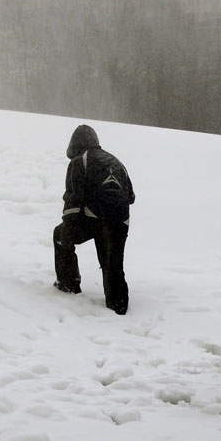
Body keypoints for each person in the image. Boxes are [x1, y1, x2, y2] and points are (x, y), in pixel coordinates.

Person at [52, 123, 134, 314]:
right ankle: (119, 307)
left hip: (95, 219)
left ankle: (68, 284)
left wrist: (68, 229)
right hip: (121, 221)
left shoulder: (79, 161)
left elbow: (73, 201)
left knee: (59, 234)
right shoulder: (117, 162)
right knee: (113, 265)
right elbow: (131, 196)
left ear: (75, 145)